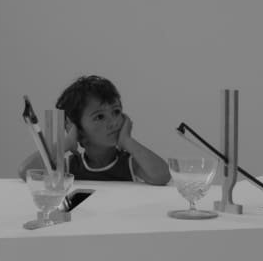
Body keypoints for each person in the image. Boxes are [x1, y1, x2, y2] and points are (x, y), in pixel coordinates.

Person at [17, 75, 171, 185]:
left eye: (116, 112)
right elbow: (26, 172)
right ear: (78, 129)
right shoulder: (70, 167)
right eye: (100, 117)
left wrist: (127, 141)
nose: (113, 122)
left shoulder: (130, 164)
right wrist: (67, 142)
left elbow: (162, 176)